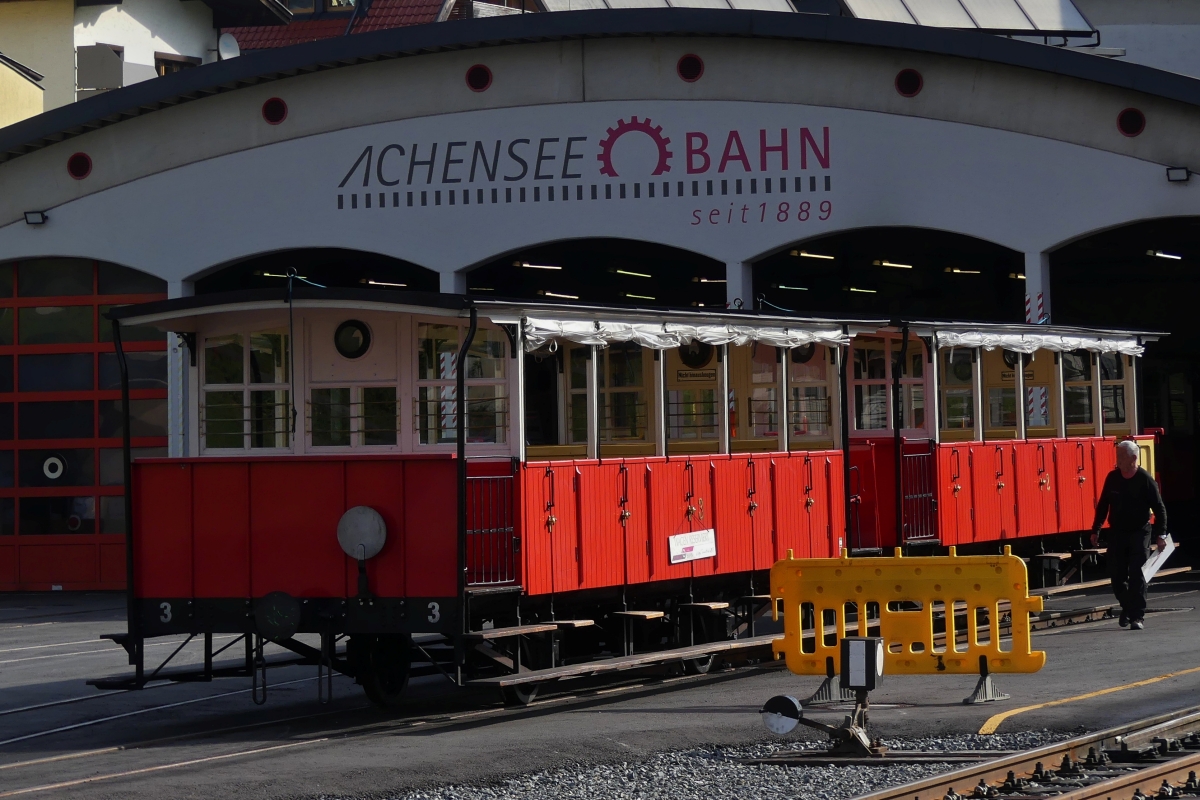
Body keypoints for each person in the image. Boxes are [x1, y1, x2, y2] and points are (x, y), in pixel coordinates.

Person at [1090, 440, 1167, 631]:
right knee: (1116, 576)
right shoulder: (1113, 478)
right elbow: (1103, 505)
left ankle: (1137, 616)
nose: (1117, 460)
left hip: (1140, 532)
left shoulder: (1145, 479)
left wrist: (1161, 535)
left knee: (1137, 573)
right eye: (1117, 456)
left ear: (1133, 458)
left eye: (1121, 456)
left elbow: (1160, 508)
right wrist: (1096, 529)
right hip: (1117, 531)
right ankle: (1128, 607)